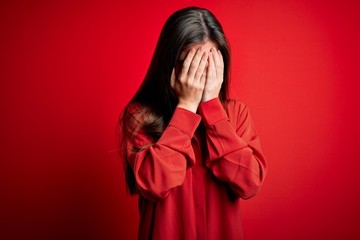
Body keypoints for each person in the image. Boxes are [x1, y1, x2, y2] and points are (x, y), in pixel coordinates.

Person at [118, 6, 267, 240]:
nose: (201, 74)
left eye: (209, 63)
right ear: (171, 64)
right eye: (192, 64)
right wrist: (186, 106)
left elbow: (249, 183)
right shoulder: (140, 115)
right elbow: (154, 182)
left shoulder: (236, 113)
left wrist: (213, 110)